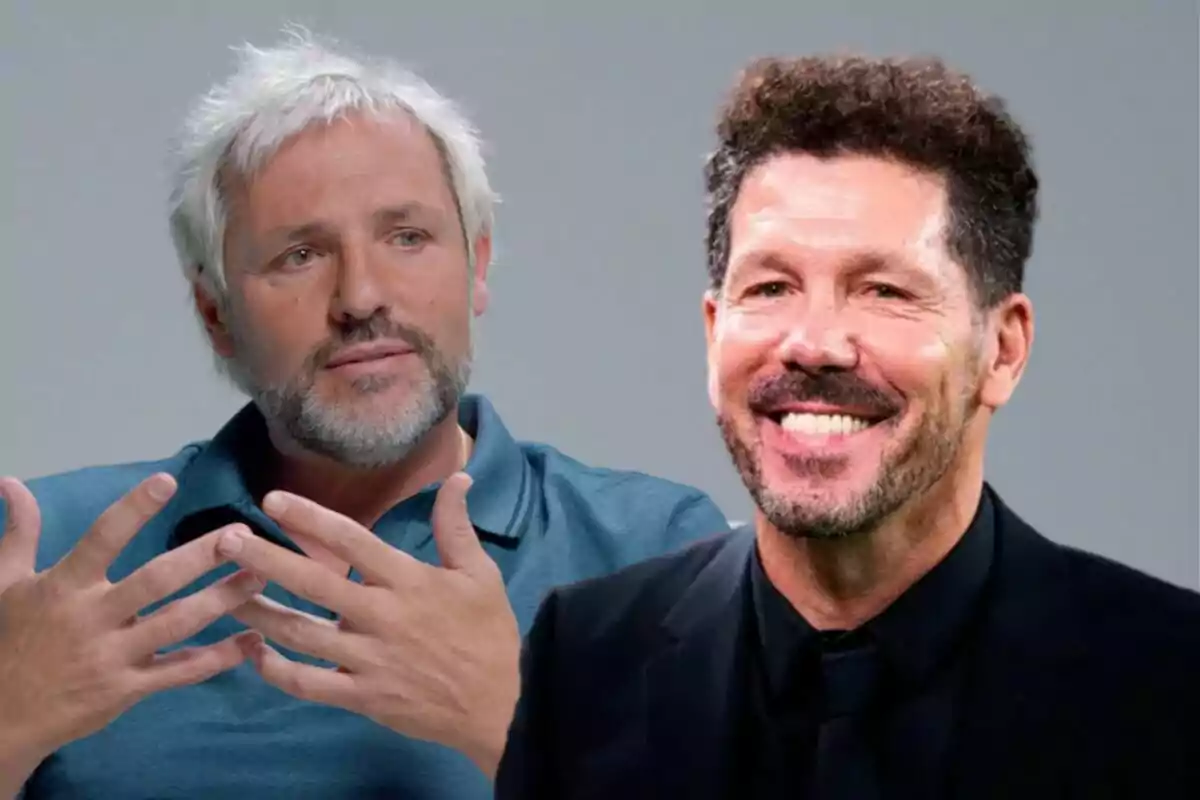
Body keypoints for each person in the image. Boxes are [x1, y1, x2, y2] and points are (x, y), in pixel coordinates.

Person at [0, 29, 730, 800]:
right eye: (300, 256)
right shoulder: (40, 558)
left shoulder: (659, 557)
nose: (360, 298)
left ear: (476, 266)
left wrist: (507, 724)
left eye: (406, 237)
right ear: (215, 314)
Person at [495, 54, 1200, 799]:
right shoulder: (585, 657)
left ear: (1003, 349)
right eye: (770, 287)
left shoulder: (1174, 679)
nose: (814, 342)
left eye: (884, 290)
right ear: (713, 331)